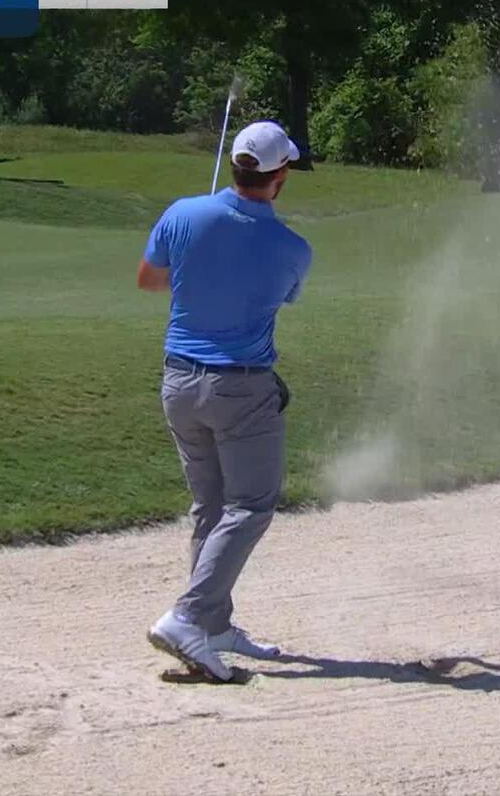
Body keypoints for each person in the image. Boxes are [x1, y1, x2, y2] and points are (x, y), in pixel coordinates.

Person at [137, 120, 313, 682]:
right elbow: (275, 296)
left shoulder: (183, 213)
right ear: (279, 175)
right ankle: (188, 617)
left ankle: (212, 624)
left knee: (211, 509)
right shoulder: (291, 248)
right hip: (241, 388)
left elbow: (148, 279)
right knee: (251, 506)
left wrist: (194, 264)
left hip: (178, 384)